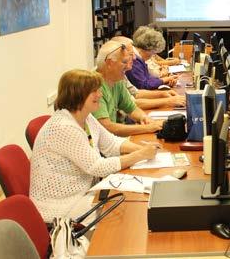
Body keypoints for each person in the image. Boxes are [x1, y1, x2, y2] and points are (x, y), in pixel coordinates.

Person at [29, 69, 158, 223]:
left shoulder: (86, 117)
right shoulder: (64, 128)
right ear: (77, 95)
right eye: (94, 91)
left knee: (130, 206)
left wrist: (145, 149)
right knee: (125, 214)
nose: (100, 95)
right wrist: (141, 155)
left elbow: (111, 143)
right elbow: (98, 167)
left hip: (85, 192)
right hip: (62, 208)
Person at [93, 41, 164, 136]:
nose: (129, 67)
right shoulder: (94, 86)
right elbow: (106, 127)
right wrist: (146, 128)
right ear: (109, 63)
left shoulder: (117, 80)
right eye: (124, 62)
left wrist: (143, 118)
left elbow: (131, 108)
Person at [111, 36, 186, 110]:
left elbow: (136, 93)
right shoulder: (111, 76)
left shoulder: (120, 73)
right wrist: (167, 101)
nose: (134, 58)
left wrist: (163, 94)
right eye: (130, 54)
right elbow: (131, 103)